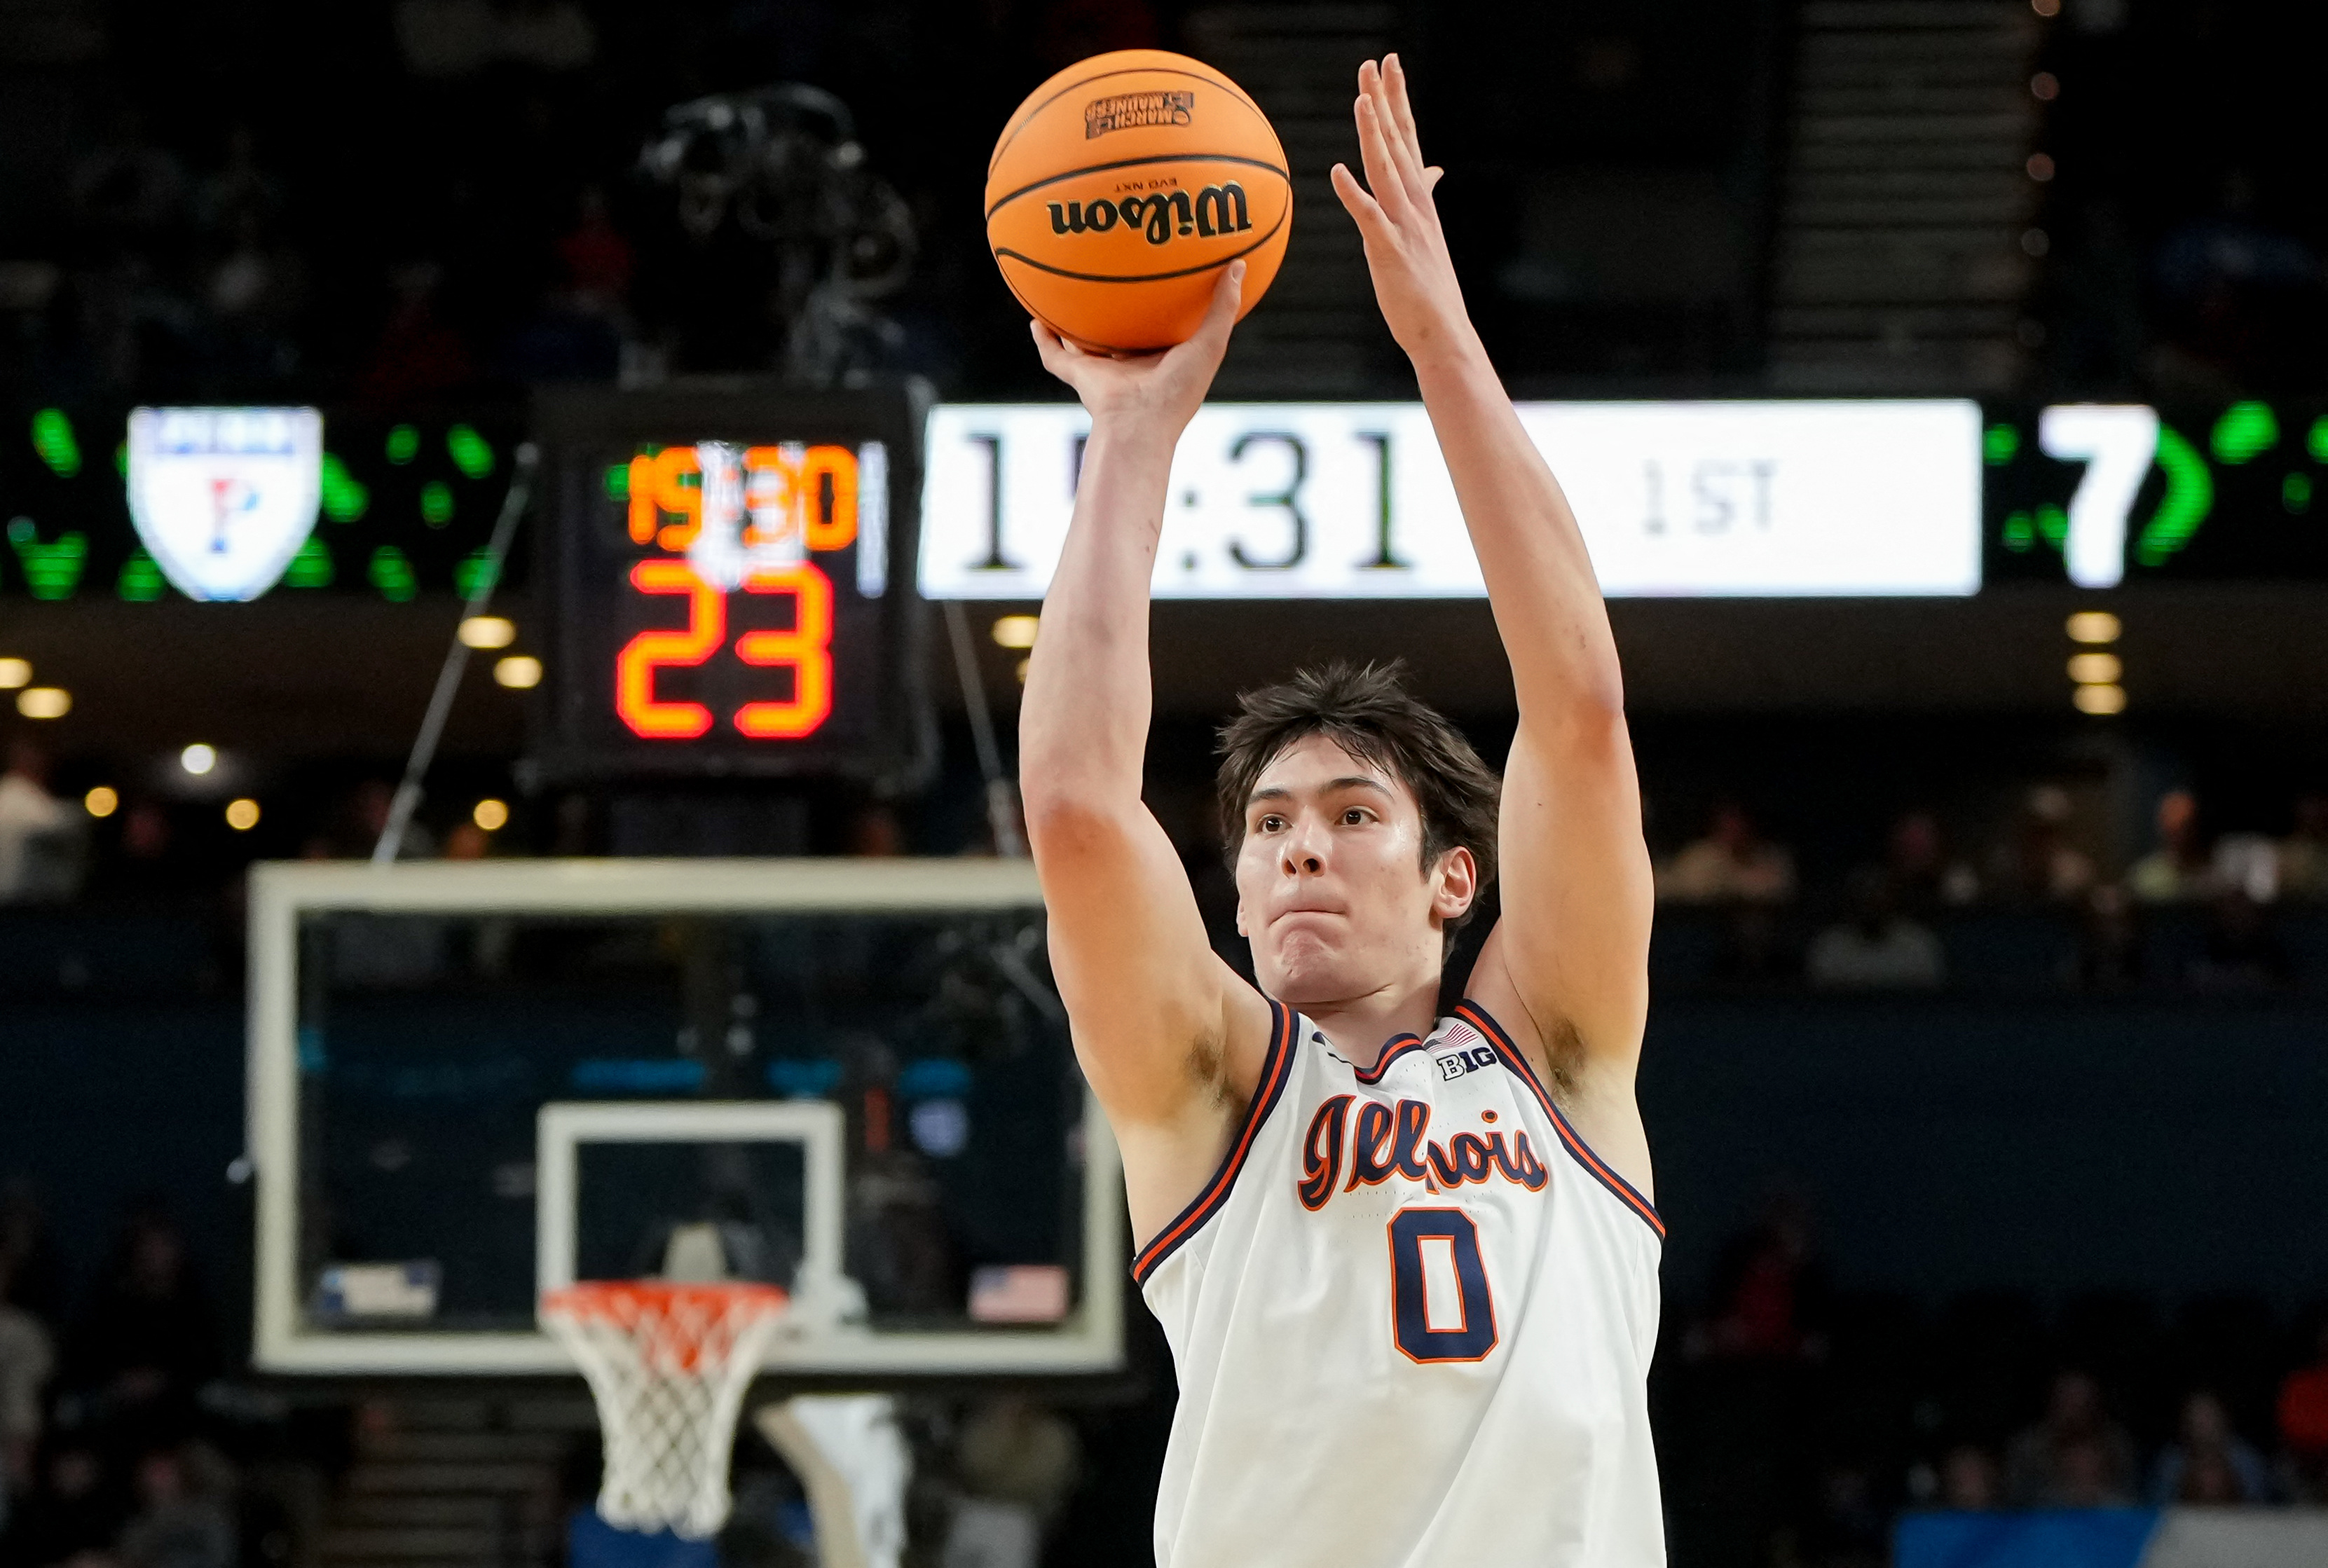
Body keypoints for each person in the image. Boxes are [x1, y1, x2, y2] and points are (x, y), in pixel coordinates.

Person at [1018, 56, 1663, 1567]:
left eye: (1351, 814)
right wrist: (1126, 439)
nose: (1296, 840)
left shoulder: (1558, 1058)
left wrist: (1439, 341)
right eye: (1265, 826)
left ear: (1456, 879)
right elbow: (1073, 805)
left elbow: (1574, 704)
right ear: (1232, 897)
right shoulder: (1205, 1095)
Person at [2004, 1370, 2137, 1506]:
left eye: (2082, 1401)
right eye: (2068, 1400)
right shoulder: (2029, 1446)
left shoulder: (2117, 1443)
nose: (2074, 1409)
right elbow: (2017, 1500)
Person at [1805, 867, 1945, 990]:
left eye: (1879, 895)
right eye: (1866, 895)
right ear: (1853, 901)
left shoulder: (1918, 944)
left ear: (1893, 900)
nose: (1872, 904)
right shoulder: (1829, 946)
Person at [2148, 1391, 2270, 1504]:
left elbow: (2259, 1508)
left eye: (2208, 1416)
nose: (2202, 1424)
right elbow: (2159, 1506)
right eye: (2196, 1417)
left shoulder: (2247, 1461)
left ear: (2223, 1418)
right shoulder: (2170, 1464)